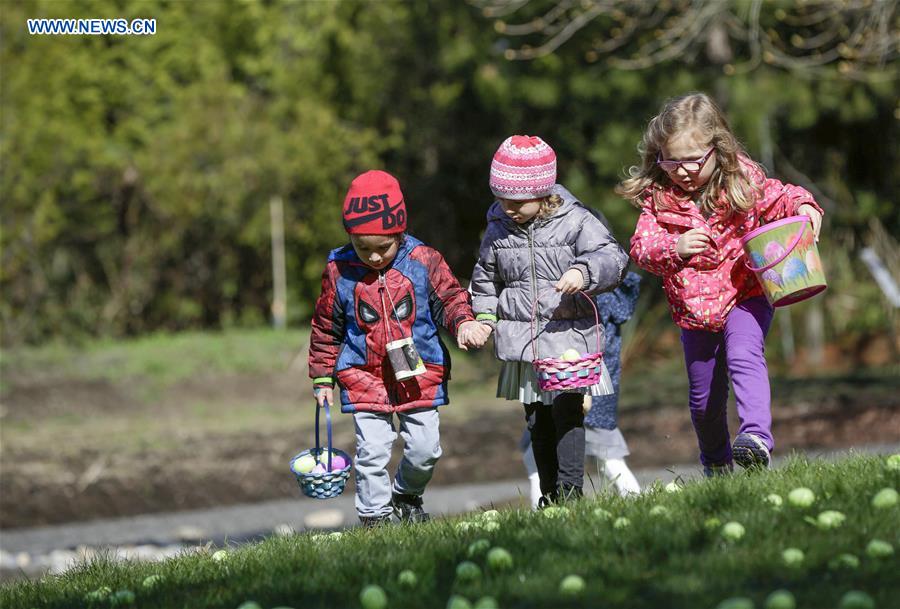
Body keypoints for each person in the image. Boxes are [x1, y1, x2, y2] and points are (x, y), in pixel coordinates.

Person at [618, 92, 823, 476]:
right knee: (704, 401)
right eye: (671, 161)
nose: (683, 170)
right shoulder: (658, 200)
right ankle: (716, 466)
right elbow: (641, 249)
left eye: (694, 159)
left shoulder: (743, 180)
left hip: (746, 294)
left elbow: (783, 197)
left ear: (718, 149)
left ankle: (756, 438)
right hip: (694, 313)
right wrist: (674, 247)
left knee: (745, 356)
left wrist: (806, 207)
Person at [308, 170, 490, 526]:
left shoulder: (424, 261)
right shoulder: (339, 270)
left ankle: (406, 494)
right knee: (372, 452)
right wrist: (321, 377)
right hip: (364, 376)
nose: (374, 258)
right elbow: (326, 326)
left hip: (418, 373)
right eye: (363, 248)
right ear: (350, 237)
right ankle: (375, 518)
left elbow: (450, 298)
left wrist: (464, 322)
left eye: (383, 248)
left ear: (400, 232)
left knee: (425, 450)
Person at [470, 135, 629, 505]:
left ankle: (571, 495)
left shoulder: (575, 220)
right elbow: (485, 279)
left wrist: (583, 272)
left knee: (568, 413)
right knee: (537, 419)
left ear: (543, 193)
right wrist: (484, 318)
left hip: (569, 339)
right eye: (502, 199)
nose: (509, 209)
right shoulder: (497, 229)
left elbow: (612, 257)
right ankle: (549, 496)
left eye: (518, 202)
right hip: (525, 343)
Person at [521, 270, 642, 505]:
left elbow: (597, 350)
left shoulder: (589, 296)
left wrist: (584, 391)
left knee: (607, 457)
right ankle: (634, 501)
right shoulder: (606, 286)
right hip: (573, 383)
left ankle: (635, 501)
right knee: (606, 458)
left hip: (581, 386)